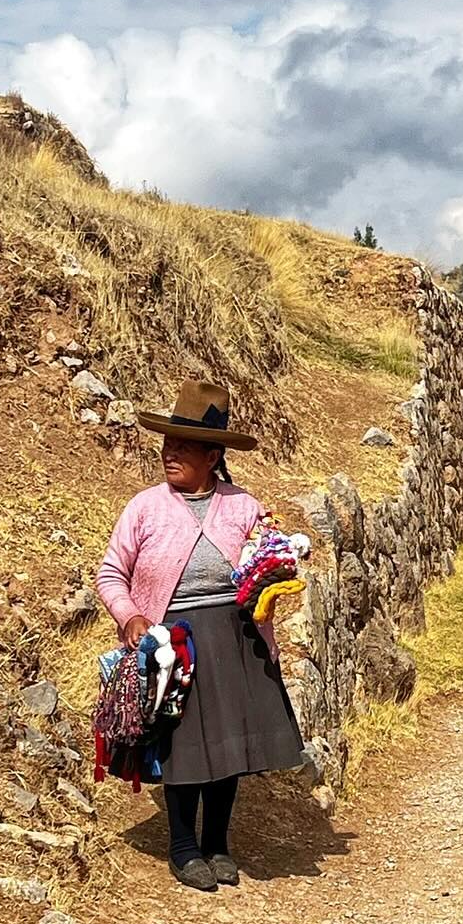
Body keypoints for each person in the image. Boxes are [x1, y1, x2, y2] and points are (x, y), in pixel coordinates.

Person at [96, 378, 305, 891]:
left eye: (185, 448)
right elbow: (109, 574)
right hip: (174, 642)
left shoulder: (242, 506)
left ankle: (217, 842)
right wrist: (131, 617)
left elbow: (272, 559)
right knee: (184, 748)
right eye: (168, 446)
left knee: (229, 747)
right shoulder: (145, 507)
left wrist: (277, 574)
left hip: (236, 638)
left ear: (213, 456)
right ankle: (183, 847)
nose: (171, 455)